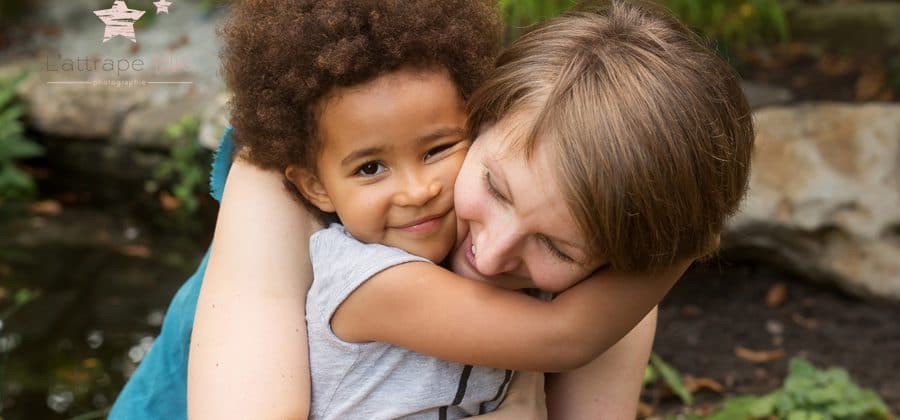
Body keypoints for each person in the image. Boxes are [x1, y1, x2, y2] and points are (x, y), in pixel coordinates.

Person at [119, 0, 755, 418]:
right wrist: (689, 238)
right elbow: (565, 337)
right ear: (484, 110)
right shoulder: (316, 178)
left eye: (558, 248)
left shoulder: (613, 263)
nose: (494, 251)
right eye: (497, 190)